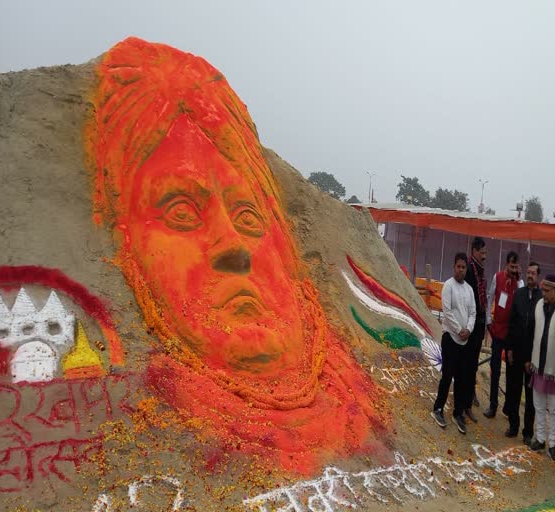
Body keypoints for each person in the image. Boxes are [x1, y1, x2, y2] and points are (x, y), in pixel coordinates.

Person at [89, 37, 387, 473]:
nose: (233, 250)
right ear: (128, 249)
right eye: (182, 211)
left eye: (248, 216)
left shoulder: (356, 408)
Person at [431, 253, 477, 435]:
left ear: (466, 269)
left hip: (465, 339)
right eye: (458, 266)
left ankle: (458, 413)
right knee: (447, 375)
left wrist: (469, 330)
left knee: (462, 378)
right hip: (451, 336)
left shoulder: (469, 290)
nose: (461, 270)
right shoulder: (448, 286)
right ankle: (438, 408)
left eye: (463, 267)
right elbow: (447, 311)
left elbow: (473, 312)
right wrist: (459, 330)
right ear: (454, 267)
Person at [528, 275, 555, 461]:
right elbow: (532, 332)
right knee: (538, 405)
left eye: (547, 291)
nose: (544, 294)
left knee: (554, 408)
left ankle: (553, 444)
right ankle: (539, 438)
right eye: (543, 290)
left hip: (554, 368)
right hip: (538, 363)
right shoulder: (539, 306)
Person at [503, 262, 542, 444]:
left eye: (533, 273)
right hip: (516, 353)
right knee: (513, 391)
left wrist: (533, 358)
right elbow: (511, 323)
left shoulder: (542, 299)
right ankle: (513, 425)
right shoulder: (518, 294)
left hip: (532, 356)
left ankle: (527, 432)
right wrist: (509, 348)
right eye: (528, 272)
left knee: (530, 397)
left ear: (538, 276)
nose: (530, 275)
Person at [484, 251, 521, 419]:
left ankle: (509, 408)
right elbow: (490, 297)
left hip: (512, 335)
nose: (514, 269)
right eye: (511, 266)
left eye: (516, 266)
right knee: (495, 369)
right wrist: (488, 320)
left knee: (511, 373)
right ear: (506, 264)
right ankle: (493, 405)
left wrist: (517, 280)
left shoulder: (519, 283)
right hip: (497, 331)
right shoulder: (497, 277)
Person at [464, 237, 488, 422]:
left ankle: (469, 394)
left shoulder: (481, 271)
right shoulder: (469, 269)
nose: (484, 256)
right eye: (482, 252)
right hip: (469, 323)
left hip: (479, 322)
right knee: (467, 361)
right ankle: (464, 400)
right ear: (474, 251)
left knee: (473, 361)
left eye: (485, 253)